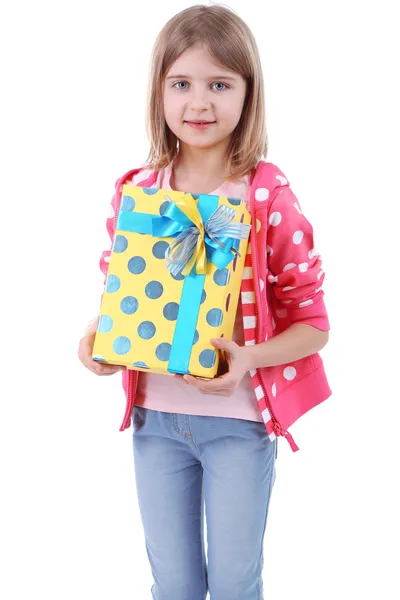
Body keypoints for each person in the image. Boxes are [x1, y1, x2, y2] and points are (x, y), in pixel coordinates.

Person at [78, 4, 331, 599]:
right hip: (155, 423)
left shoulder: (266, 193)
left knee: (237, 585)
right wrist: (98, 343)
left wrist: (248, 358)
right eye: (182, 83)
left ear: (248, 94)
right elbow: (121, 295)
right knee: (173, 585)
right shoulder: (137, 191)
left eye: (220, 84)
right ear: (159, 92)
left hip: (239, 425)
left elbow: (313, 323)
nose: (199, 102)